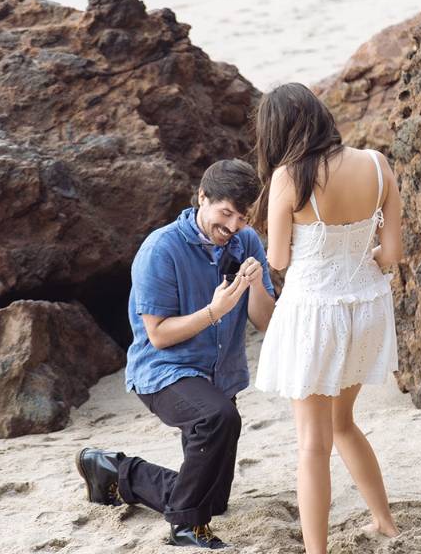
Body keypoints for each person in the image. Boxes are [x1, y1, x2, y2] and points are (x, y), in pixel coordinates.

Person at [76, 159, 276, 550]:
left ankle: (114, 471)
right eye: (226, 213)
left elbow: (265, 321)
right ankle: (185, 529)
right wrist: (214, 312)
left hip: (218, 377)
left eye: (242, 217)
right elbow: (159, 335)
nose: (233, 226)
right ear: (202, 197)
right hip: (164, 371)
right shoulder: (160, 249)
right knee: (218, 417)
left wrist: (254, 286)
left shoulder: (247, 241)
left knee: (211, 500)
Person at [250, 82, 402, 554]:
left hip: (316, 316)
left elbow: (278, 259)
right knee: (343, 423)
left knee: (312, 443)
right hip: (368, 309)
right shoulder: (377, 163)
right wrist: (356, 255)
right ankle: (385, 523)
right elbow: (391, 254)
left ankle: (317, 552)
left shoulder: (290, 176)